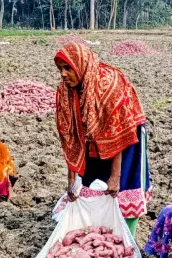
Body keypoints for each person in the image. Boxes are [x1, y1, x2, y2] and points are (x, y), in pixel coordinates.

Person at [54, 43, 151, 236]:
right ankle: (96, 231)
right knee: (90, 184)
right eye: (60, 69)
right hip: (90, 138)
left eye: (68, 68)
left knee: (122, 187)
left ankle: (125, 237)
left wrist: (115, 176)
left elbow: (117, 132)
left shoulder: (108, 84)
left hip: (126, 135)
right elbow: (70, 136)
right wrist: (72, 178)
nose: (63, 74)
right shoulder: (65, 91)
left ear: (80, 65)